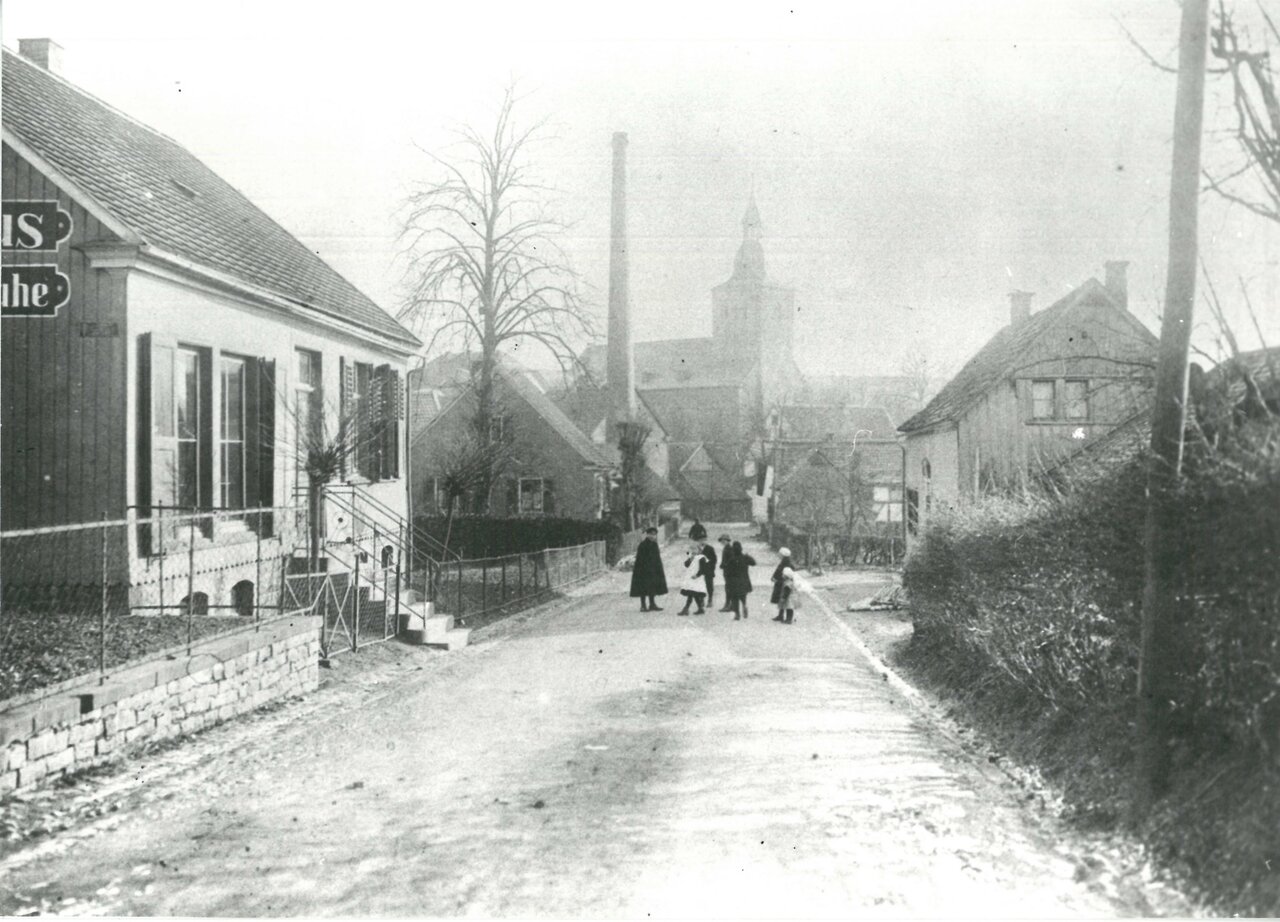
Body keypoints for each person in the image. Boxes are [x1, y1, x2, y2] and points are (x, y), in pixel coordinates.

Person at [629, 527, 667, 612]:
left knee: (652, 587)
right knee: (643, 588)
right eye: (651, 534)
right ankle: (643, 605)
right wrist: (644, 569)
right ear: (647, 534)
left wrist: (658, 569)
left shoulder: (654, 545)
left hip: (653, 570)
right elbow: (640, 559)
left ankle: (652, 604)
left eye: (654, 534)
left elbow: (657, 558)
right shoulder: (643, 545)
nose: (653, 536)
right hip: (644, 570)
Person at [724, 540, 756, 620]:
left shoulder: (732, 560)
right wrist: (749, 556)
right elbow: (753, 563)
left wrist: (728, 582)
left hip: (734, 582)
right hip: (744, 580)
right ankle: (744, 605)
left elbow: (728, 572)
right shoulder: (745, 558)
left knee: (735, 598)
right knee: (743, 596)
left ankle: (737, 614)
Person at [677, 545, 709, 615]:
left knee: (692, 594)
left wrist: (697, 575)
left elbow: (703, 569)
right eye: (692, 550)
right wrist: (690, 559)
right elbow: (686, 565)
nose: (694, 552)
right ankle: (700, 608)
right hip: (691, 580)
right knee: (694, 594)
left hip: (697, 579)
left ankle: (686, 609)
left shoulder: (701, 558)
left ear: (699, 551)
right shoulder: (691, 557)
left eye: (695, 550)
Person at [770, 547, 794, 622]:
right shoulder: (786, 562)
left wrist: (775, 577)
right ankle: (781, 615)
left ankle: (783, 616)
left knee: (784, 599)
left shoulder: (785, 563)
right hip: (782, 582)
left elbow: (779, 571)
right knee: (782, 600)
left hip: (782, 583)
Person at [716, 534, 734, 611]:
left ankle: (728, 605)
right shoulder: (727, 548)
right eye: (721, 541)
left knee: (729, 589)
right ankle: (730, 605)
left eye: (723, 541)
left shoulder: (729, 549)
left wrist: (724, 565)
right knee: (729, 589)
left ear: (727, 541)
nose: (722, 542)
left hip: (730, 572)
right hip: (727, 572)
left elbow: (732, 560)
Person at [700, 539, 718, 607]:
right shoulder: (696, 549)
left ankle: (710, 599)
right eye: (699, 540)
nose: (701, 541)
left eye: (703, 540)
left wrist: (711, 567)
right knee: (700, 586)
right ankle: (701, 600)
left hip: (708, 570)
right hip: (700, 571)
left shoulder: (710, 548)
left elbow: (714, 559)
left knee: (709, 585)